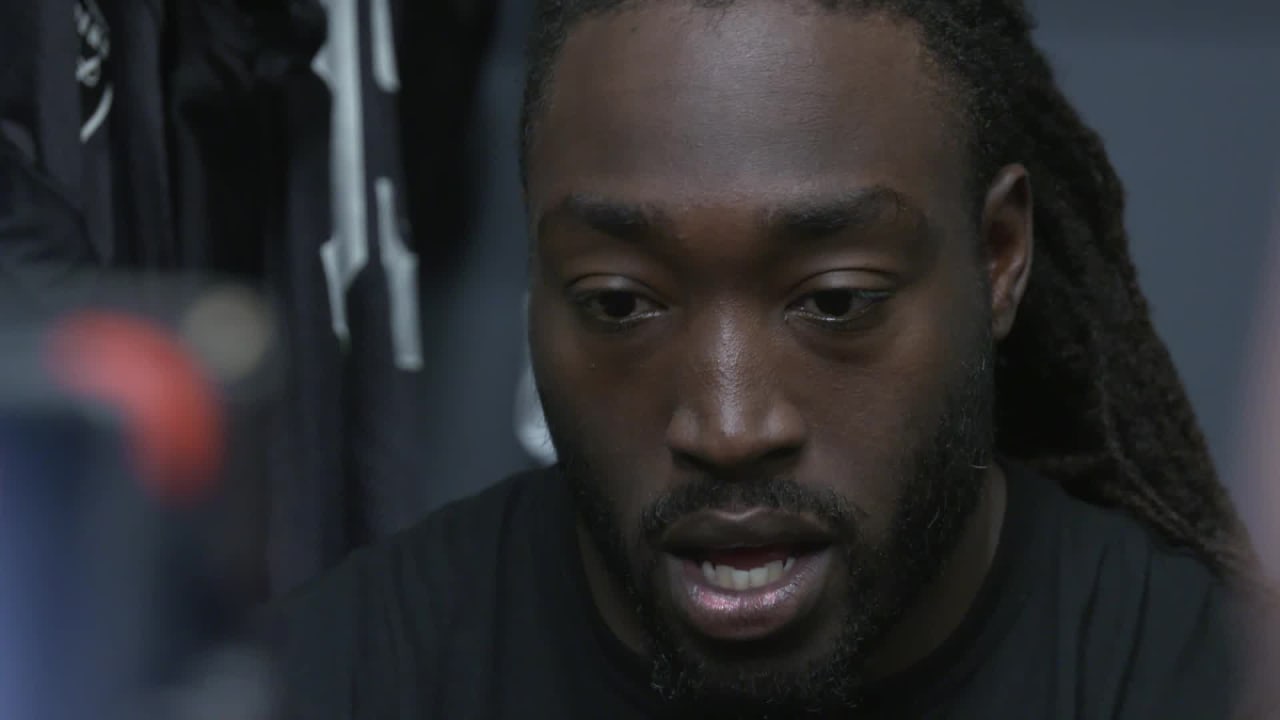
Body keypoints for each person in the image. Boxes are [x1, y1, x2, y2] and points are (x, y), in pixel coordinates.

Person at [270, 1, 1276, 717]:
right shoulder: (341, 680)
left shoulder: (1202, 684)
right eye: (619, 302)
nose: (728, 427)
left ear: (999, 256)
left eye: (834, 302)